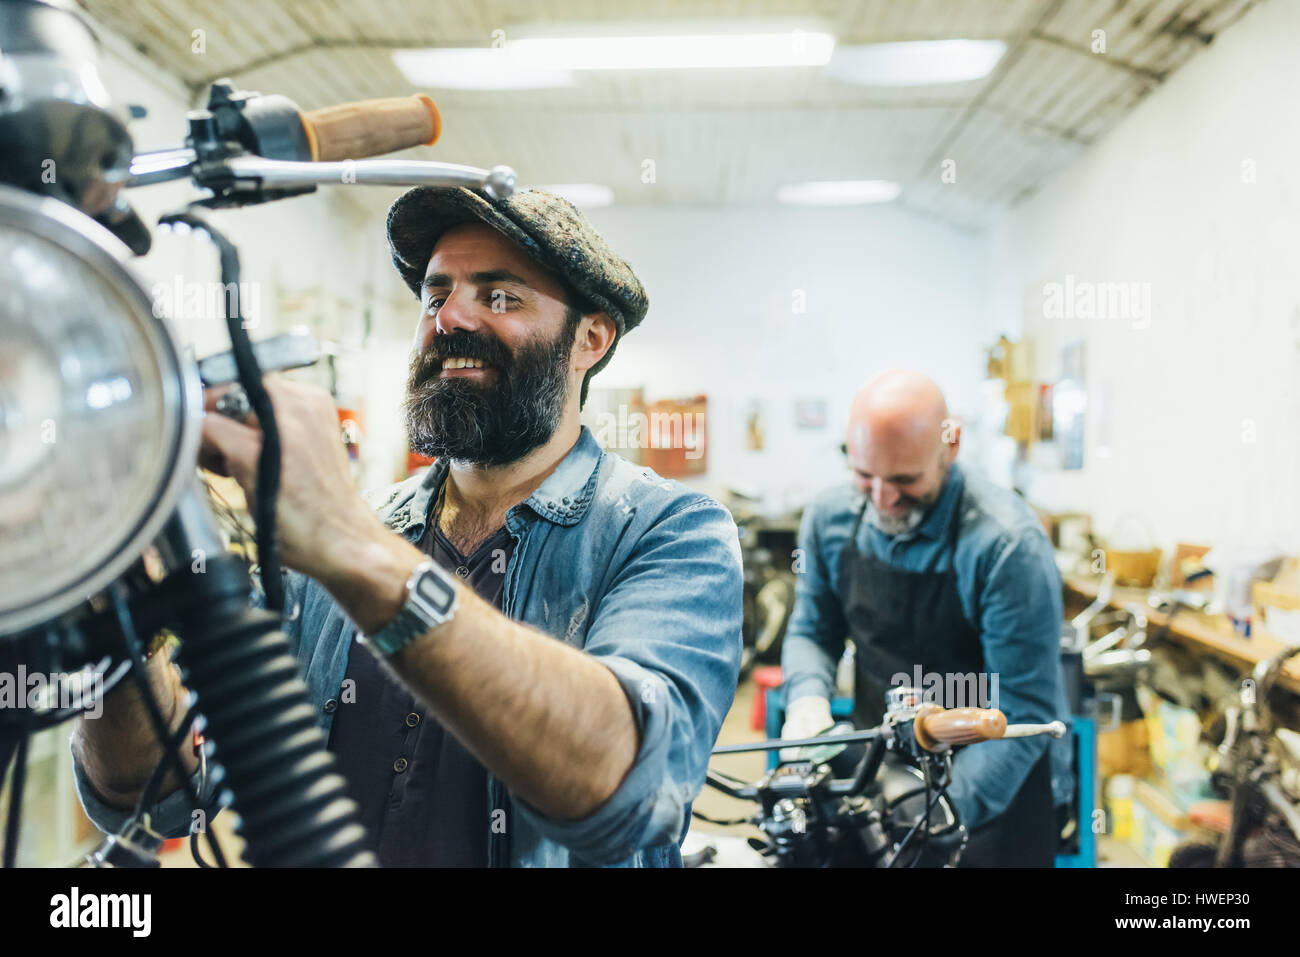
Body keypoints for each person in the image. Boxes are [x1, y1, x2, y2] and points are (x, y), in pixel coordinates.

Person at [71, 187, 744, 867]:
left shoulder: (671, 532)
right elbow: (157, 799)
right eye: (435, 293)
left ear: (590, 339)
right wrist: (121, 612)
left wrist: (352, 549)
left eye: (499, 295)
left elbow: (627, 790)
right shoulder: (335, 539)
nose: (448, 318)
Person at [780, 370, 1073, 866]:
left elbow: (1024, 706)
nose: (881, 498)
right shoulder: (829, 517)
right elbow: (813, 629)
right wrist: (807, 697)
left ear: (950, 445)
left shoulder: (1007, 546)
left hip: (994, 775)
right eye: (864, 475)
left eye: (904, 480)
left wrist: (937, 810)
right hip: (886, 755)